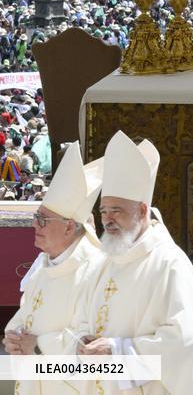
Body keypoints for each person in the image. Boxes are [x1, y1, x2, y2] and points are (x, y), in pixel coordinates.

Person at [73, 131, 193, 394]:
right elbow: (83, 318)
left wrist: (116, 351)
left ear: (141, 210)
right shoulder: (104, 261)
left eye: (117, 210)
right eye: (103, 211)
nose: (107, 219)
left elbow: (185, 344)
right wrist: (82, 341)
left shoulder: (171, 265)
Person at [4, 143, 104, 394]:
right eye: (36, 217)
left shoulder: (96, 270)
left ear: (69, 227)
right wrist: (13, 337)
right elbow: (26, 314)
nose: (35, 226)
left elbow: (94, 344)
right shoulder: (44, 265)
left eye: (43, 220)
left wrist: (39, 347)